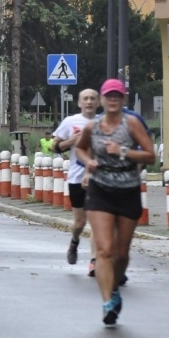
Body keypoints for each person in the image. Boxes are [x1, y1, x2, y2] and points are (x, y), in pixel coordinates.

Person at [75, 79, 154, 326]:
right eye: (108, 96)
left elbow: (151, 155)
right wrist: (88, 161)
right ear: (101, 99)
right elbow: (80, 148)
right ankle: (108, 301)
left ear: (123, 100)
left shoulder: (131, 123)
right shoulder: (92, 126)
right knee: (105, 250)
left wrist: (122, 151)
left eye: (117, 96)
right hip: (100, 189)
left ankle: (115, 288)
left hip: (128, 189)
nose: (112, 100)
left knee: (121, 254)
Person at [52, 88, 100, 275]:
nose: (89, 102)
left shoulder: (103, 122)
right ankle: (74, 241)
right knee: (80, 223)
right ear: (79, 103)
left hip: (99, 178)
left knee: (96, 220)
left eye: (92, 99)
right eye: (85, 98)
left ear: (98, 103)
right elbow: (54, 147)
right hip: (76, 178)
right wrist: (69, 142)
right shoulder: (70, 122)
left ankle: (94, 261)